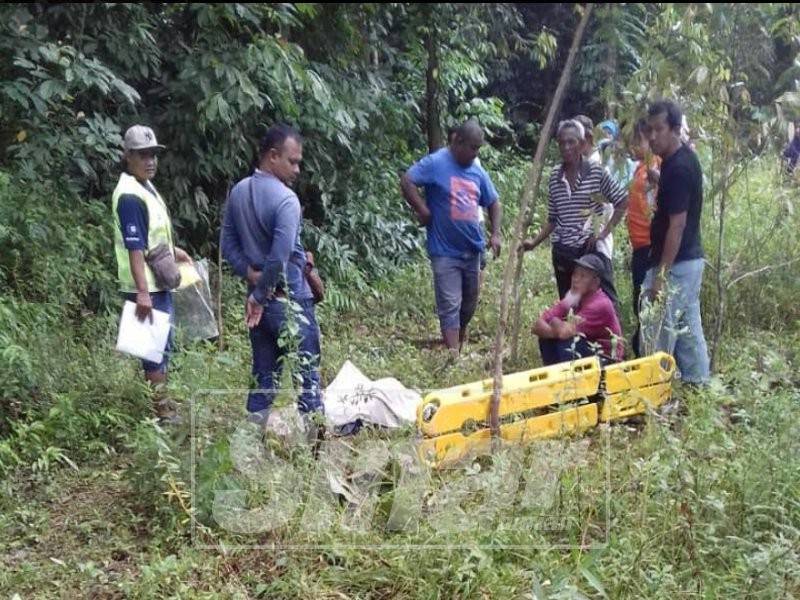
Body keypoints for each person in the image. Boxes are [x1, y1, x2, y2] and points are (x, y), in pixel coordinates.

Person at [221, 124, 323, 423]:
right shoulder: (286, 200)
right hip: (289, 302)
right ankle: (314, 455)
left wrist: (251, 279)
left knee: (262, 377)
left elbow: (227, 243)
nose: (297, 169)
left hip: (259, 306)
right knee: (307, 377)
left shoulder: (239, 191)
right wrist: (262, 292)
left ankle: (249, 451)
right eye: (293, 161)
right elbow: (279, 257)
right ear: (272, 156)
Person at [112, 125, 193, 423]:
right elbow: (135, 249)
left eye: (153, 155)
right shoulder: (130, 195)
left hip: (156, 281)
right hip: (146, 286)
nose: (150, 161)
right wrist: (143, 292)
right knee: (153, 351)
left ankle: (163, 406)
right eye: (143, 155)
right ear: (128, 156)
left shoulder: (145, 186)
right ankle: (162, 414)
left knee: (162, 345)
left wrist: (175, 251)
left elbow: (151, 239)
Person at [400, 120, 502, 354]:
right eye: (472, 147)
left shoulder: (477, 169)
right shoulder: (436, 162)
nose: (475, 153)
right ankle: (453, 355)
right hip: (444, 250)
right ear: (458, 142)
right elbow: (407, 181)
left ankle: (458, 344)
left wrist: (496, 234)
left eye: (478, 148)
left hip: (472, 249)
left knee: (468, 305)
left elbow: (494, 202)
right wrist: (422, 209)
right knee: (450, 305)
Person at [520, 119, 628, 306]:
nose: (566, 147)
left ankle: (610, 336)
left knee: (604, 303)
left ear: (582, 143)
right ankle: (574, 336)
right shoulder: (555, 176)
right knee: (570, 305)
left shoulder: (596, 172)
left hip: (588, 250)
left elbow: (622, 200)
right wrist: (534, 242)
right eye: (562, 142)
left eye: (572, 142)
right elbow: (553, 218)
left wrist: (603, 233)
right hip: (564, 251)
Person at [641, 100, 710, 385]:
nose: (653, 136)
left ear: (676, 130)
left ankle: (655, 388)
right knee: (687, 325)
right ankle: (697, 383)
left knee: (658, 326)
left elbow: (677, 225)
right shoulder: (676, 162)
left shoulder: (679, 168)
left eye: (660, 129)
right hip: (688, 261)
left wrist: (660, 275)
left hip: (677, 264)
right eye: (650, 130)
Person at [533, 254, 623, 366]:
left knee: (567, 343)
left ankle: (569, 380)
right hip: (589, 350)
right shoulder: (574, 297)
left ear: (595, 282)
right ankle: (557, 377)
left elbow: (564, 333)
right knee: (546, 339)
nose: (576, 279)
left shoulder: (600, 304)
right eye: (575, 274)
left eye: (583, 276)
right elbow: (536, 326)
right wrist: (555, 326)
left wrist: (553, 322)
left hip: (607, 359)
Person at [627, 118, 661, 356]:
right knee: (639, 301)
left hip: (649, 246)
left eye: (637, 141)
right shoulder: (639, 167)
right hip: (639, 244)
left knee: (645, 303)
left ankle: (646, 352)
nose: (633, 147)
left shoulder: (655, 166)